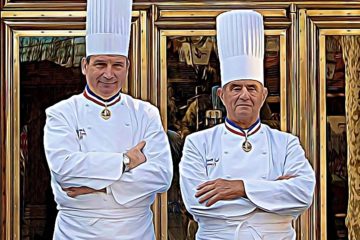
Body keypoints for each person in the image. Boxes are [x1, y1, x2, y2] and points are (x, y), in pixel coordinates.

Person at [179, 10, 315, 240]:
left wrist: (239, 188)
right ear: (222, 95)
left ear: (263, 95)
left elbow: (303, 195)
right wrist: (272, 193)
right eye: (236, 88)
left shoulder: (286, 143)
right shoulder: (197, 143)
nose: (244, 95)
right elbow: (197, 204)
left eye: (251, 88)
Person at [43, 0, 173, 239]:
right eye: (100, 64)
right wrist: (125, 161)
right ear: (85, 65)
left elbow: (161, 176)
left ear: (127, 67)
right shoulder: (61, 113)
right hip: (76, 232)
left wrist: (99, 185)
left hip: (135, 231)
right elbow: (65, 172)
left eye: (117, 65)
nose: (109, 74)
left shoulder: (146, 113)